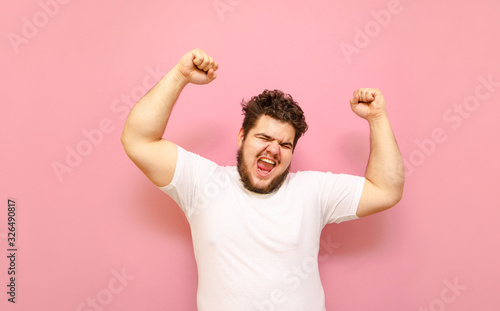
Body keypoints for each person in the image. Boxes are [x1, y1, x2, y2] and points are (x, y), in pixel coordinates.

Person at [120, 48, 405, 311]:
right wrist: (180, 75)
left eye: (285, 144)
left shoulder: (313, 191)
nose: (273, 149)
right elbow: (138, 140)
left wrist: (377, 118)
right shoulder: (202, 183)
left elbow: (386, 189)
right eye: (264, 137)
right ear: (242, 137)